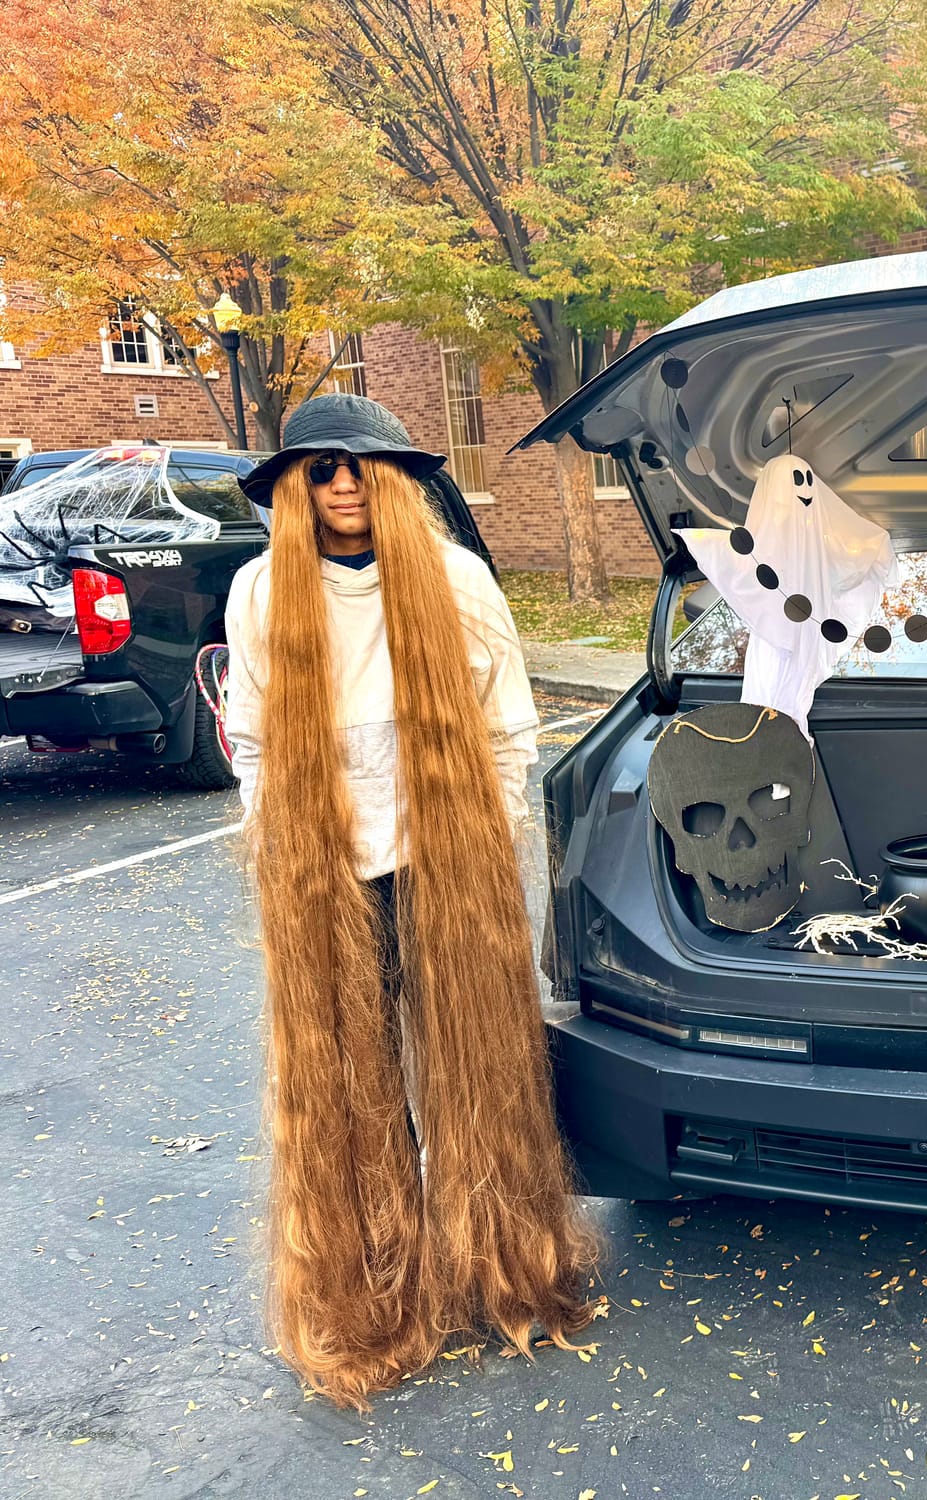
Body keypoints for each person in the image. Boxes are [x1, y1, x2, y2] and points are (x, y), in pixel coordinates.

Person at [225, 393, 597, 1408]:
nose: (343, 482)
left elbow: (507, 728)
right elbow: (253, 737)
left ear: (394, 480)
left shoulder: (457, 579)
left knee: (481, 1076)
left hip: (448, 863)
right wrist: (283, 847)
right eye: (320, 467)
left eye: (361, 464)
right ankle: (372, 1291)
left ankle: (501, 1267)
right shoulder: (261, 592)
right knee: (350, 1089)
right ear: (295, 487)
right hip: (324, 872)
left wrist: (485, 843)